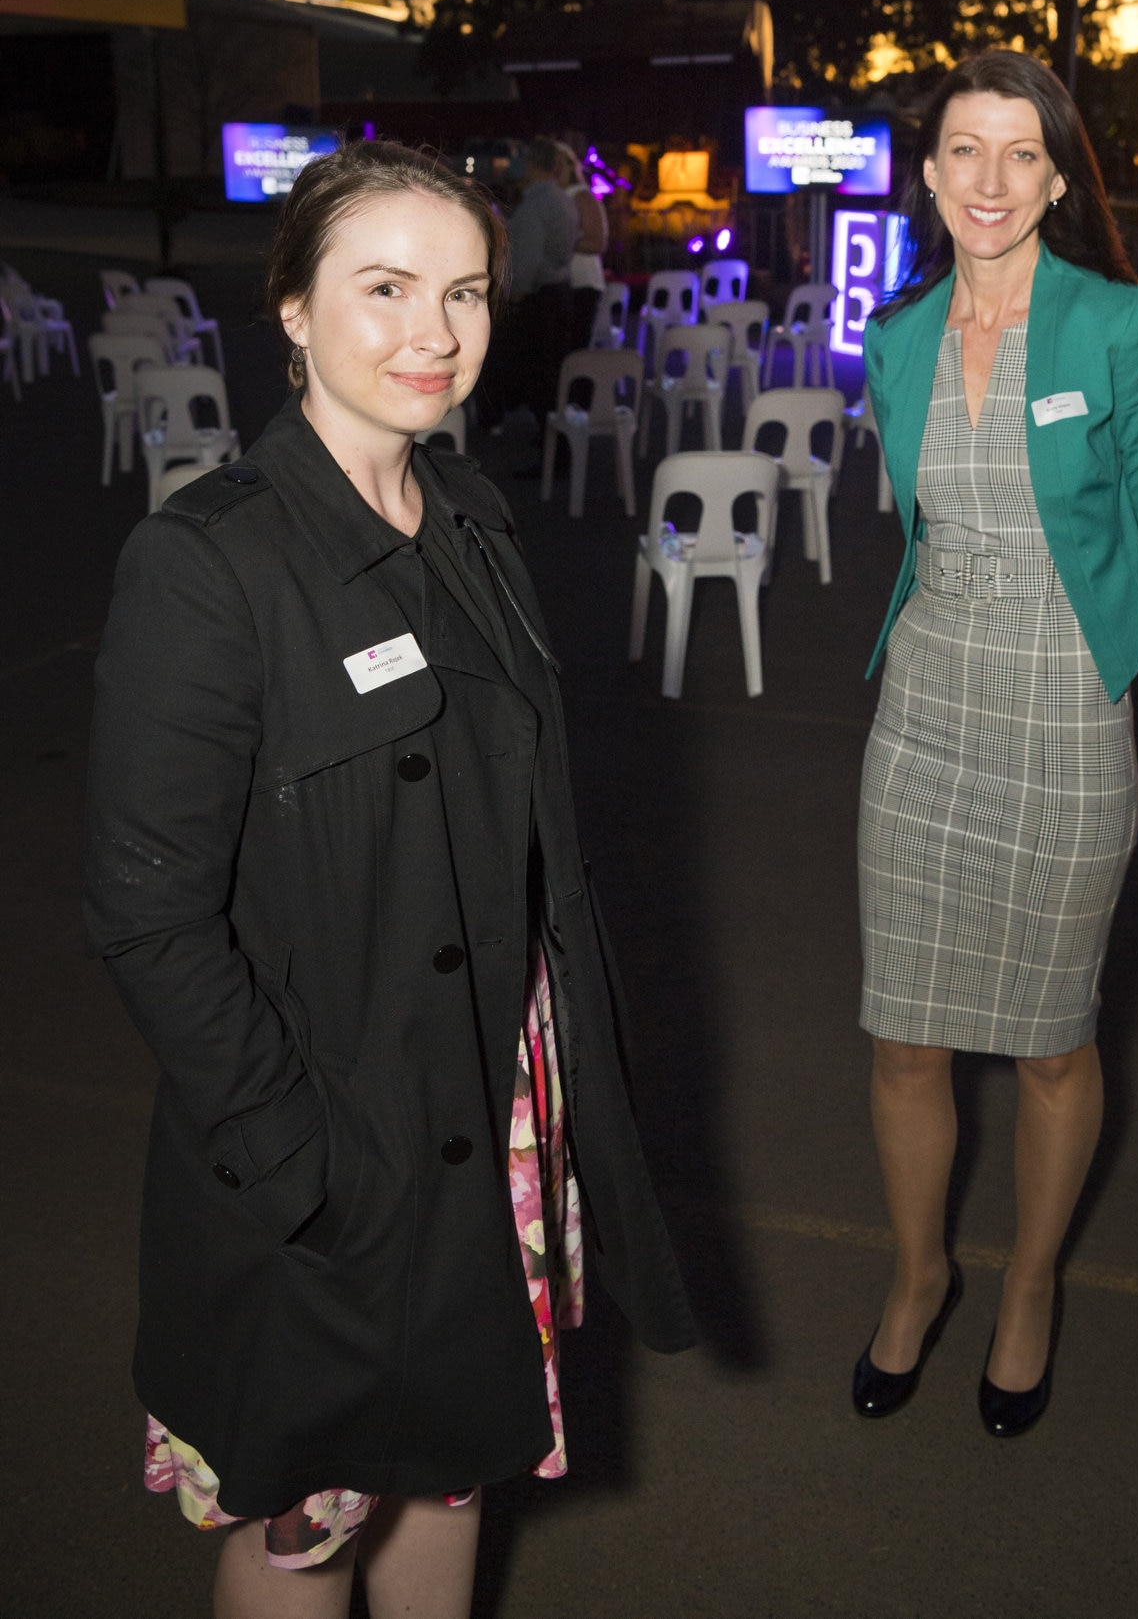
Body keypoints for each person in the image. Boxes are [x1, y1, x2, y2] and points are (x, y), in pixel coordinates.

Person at [84, 142, 694, 1618]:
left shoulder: (476, 516)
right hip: (334, 1135)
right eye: (386, 287)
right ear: (291, 307)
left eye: (467, 292)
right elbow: (149, 911)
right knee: (308, 1522)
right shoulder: (208, 564)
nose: (436, 332)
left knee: (456, 1461)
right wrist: (299, 1160)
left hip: (494, 1108)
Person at [852, 50, 1138, 1439]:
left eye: (1018, 153)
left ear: (1056, 175)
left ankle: (1028, 1284)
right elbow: (912, 522)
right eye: (961, 151)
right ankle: (918, 1269)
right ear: (928, 173)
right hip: (925, 710)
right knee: (901, 1036)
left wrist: (1098, 652)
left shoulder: (1124, 326)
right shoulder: (894, 336)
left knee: (1053, 1045)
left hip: (1065, 712)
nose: (988, 179)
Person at [504, 135, 577, 426]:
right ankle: (555, 443)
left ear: (530, 165)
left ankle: (549, 446)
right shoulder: (562, 199)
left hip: (542, 298)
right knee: (555, 370)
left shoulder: (535, 204)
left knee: (541, 371)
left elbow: (528, 257)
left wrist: (516, 292)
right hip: (561, 290)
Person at [557, 142, 610, 350]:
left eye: (560, 163)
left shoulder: (582, 196)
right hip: (563, 283)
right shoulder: (555, 197)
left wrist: (558, 243)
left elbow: (598, 243)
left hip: (582, 283)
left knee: (576, 347)